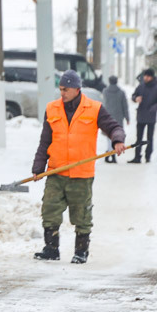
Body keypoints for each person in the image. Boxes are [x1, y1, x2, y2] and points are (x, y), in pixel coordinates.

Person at [32, 70, 126, 264]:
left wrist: (117, 140)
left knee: (82, 214)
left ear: (77, 89)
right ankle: (51, 248)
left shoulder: (94, 108)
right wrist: (38, 167)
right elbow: (45, 141)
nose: (62, 93)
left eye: (66, 89)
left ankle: (81, 251)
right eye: (60, 89)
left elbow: (113, 126)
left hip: (81, 173)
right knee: (50, 210)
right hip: (56, 171)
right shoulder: (52, 109)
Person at [128, 68, 157, 163]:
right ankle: (137, 156)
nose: (146, 77)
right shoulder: (141, 86)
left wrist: (153, 109)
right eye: (145, 76)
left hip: (151, 117)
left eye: (148, 76)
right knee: (139, 137)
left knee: (149, 138)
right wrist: (136, 98)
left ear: (152, 77)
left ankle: (148, 156)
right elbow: (133, 95)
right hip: (140, 115)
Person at [101, 75, 130, 163]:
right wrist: (127, 117)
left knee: (109, 136)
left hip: (107, 116)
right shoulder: (121, 92)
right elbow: (125, 106)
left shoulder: (105, 91)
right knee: (116, 135)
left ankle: (109, 152)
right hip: (118, 117)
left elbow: (103, 104)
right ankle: (112, 153)